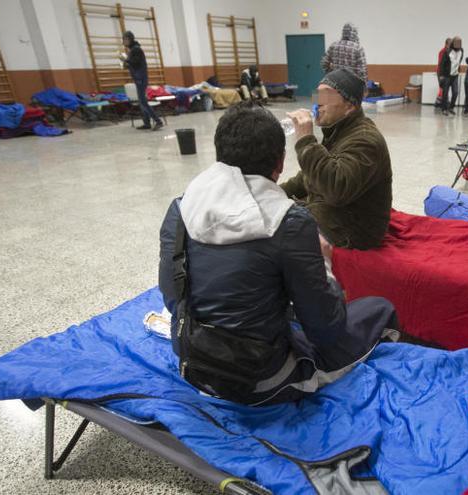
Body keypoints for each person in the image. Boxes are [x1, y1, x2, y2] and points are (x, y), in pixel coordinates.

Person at [158, 101, 398, 406]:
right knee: (379, 308)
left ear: (219, 155)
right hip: (260, 379)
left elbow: (171, 296)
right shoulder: (290, 223)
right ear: (280, 163)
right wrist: (323, 262)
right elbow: (326, 329)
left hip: (193, 364)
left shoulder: (181, 207)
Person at [281, 69, 393, 250]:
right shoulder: (337, 131)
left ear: (350, 106)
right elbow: (307, 176)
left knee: (276, 234)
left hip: (353, 230)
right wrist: (273, 192)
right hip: (332, 213)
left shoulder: (366, 141)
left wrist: (306, 142)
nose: (319, 103)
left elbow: (336, 189)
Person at [120, 31, 163, 131]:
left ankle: (158, 121)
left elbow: (135, 62)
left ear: (129, 39)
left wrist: (125, 60)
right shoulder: (133, 50)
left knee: (143, 102)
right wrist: (126, 64)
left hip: (141, 79)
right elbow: (134, 64)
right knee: (141, 102)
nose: (123, 41)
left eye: (125, 39)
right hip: (139, 78)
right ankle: (147, 123)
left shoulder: (136, 49)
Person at [438, 37, 463, 116]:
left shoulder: (461, 51)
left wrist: (457, 69)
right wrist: (441, 75)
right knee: (445, 93)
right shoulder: (447, 51)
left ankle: (451, 107)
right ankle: (444, 109)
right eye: (457, 42)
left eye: (460, 42)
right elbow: (442, 64)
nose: (459, 44)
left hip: (455, 75)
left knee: (455, 92)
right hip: (446, 75)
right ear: (453, 43)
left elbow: (459, 61)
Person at [435, 37, 451, 108]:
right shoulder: (442, 51)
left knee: (444, 88)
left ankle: (440, 102)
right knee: (443, 88)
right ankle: (441, 103)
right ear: (446, 44)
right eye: (450, 44)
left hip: (447, 73)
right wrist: (441, 74)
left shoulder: (450, 51)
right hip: (441, 72)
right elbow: (441, 63)